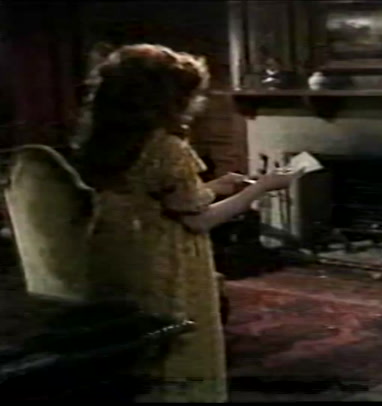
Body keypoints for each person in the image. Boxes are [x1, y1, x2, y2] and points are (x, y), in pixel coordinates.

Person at [74, 43, 299, 402]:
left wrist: (216, 186)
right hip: (162, 256)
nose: (198, 102)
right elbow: (199, 221)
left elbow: (158, 195)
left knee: (133, 344)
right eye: (192, 94)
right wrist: (261, 188)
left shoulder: (108, 137)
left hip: (118, 247)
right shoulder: (167, 147)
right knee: (176, 339)